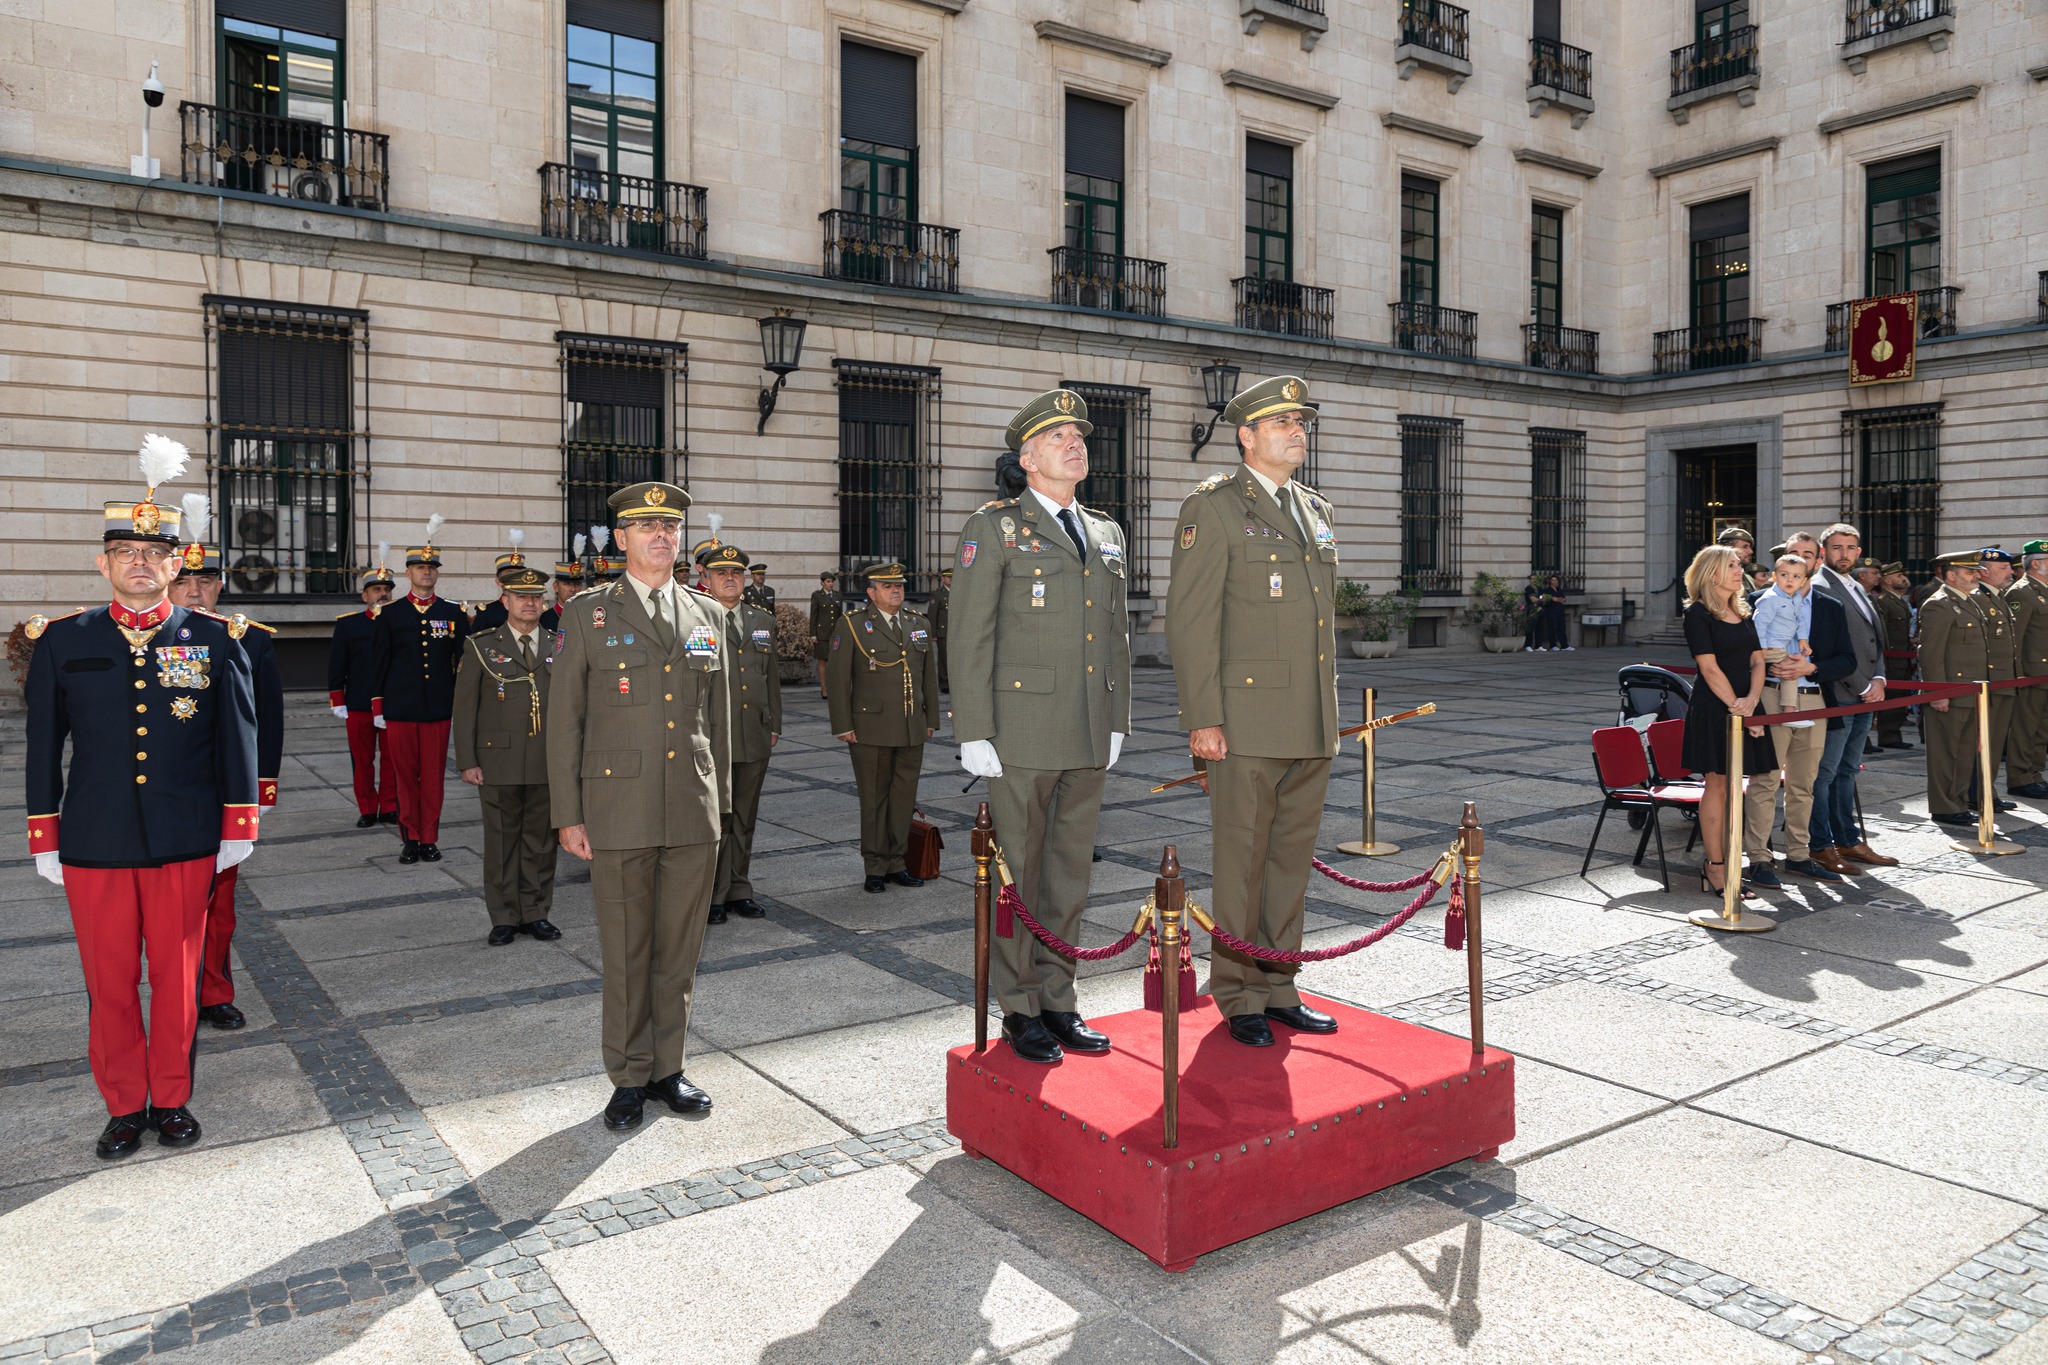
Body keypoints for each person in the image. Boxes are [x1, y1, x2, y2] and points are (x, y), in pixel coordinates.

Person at [25, 439, 259, 1158]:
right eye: (123, 549)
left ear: (175, 564)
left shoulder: (217, 641)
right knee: (110, 982)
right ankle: (125, 1105)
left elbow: (236, 737)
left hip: (184, 838)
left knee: (178, 981)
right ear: (103, 563)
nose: (138, 561)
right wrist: (44, 835)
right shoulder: (64, 642)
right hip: (93, 840)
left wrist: (238, 825)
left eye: (153, 552)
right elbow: (41, 747)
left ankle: (172, 1098)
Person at [951, 390, 1133, 1064]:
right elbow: (969, 635)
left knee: (1068, 874)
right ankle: (1020, 1005)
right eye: (1057, 436)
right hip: (1020, 734)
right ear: (1026, 457)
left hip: (1086, 731)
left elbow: (1117, 634)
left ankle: (1060, 997)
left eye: (1079, 435)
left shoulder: (1106, 531)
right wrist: (974, 728)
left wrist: (1117, 717)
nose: (1074, 444)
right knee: (1017, 876)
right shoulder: (994, 528)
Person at [548, 480, 731, 1132]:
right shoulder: (587, 614)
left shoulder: (708, 615)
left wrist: (722, 803)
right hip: (617, 806)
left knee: (679, 949)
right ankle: (628, 1075)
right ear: (620, 538)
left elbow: (719, 720)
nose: (661, 537)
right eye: (646, 527)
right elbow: (564, 723)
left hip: (690, 806)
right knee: (628, 949)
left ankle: (667, 1068)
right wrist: (568, 814)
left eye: (670, 527)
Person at [1167, 375, 1341, 1048]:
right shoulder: (1212, 507)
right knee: (1241, 860)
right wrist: (1203, 718)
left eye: (1301, 421)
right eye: (1281, 422)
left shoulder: (1314, 508)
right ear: (1246, 435)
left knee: (1289, 861)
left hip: (1308, 719)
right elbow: (1191, 622)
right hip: (1242, 722)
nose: (1296, 431)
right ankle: (1238, 990)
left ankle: (1279, 984)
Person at [166, 517, 284, 1031]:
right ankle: (174, 992)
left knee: (220, 903)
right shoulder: (144, 638)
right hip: (165, 793)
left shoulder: (250, 640)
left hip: (226, 793)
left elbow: (269, 721)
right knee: (167, 906)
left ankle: (213, 991)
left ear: (220, 585)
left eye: (205, 582)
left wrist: (261, 792)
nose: (195, 592)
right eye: (183, 583)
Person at [454, 564, 561, 947]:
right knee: (501, 842)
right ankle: (503, 916)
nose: (530, 603)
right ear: (505, 601)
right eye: (521, 597)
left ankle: (535, 912)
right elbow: (465, 708)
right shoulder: (481, 645)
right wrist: (467, 760)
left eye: (536, 597)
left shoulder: (559, 643)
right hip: (497, 760)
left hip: (547, 761)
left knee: (541, 842)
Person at [1742, 540, 1857, 886]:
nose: (1799, 564)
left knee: (1803, 784)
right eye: (1793, 557)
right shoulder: (1757, 601)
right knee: (1764, 781)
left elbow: (1847, 660)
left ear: (1816, 563)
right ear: (1779, 568)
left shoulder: (1829, 606)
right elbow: (1744, 651)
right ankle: (1760, 859)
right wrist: (1765, 666)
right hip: (1771, 698)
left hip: (1814, 700)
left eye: (1807, 556)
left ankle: (1798, 855)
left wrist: (1811, 667)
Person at [827, 563, 940, 892]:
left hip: (910, 726)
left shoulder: (917, 623)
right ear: (871, 592)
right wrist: (843, 725)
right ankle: (874, 866)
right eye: (888, 586)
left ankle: (897, 862)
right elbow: (837, 681)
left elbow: (927, 678)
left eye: (900, 586)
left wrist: (930, 718)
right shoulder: (852, 625)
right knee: (874, 798)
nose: (896, 591)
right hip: (869, 727)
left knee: (904, 797)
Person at [1678, 545, 1773, 898]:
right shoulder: (1698, 614)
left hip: (1745, 706)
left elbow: (1759, 663)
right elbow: (1708, 667)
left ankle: (1733, 864)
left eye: (1738, 564)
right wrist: (1738, 706)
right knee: (1717, 785)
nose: (1739, 570)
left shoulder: (1743, 612)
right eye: (1732, 565)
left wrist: (1751, 704)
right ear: (1713, 572)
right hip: (1715, 708)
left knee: (1740, 785)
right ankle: (1716, 869)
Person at [371, 525, 469, 865]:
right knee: (404, 779)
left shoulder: (452, 613)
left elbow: (463, 663)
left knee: (433, 779)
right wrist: (378, 705)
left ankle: (429, 838)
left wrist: (461, 701)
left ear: (437, 574)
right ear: (409, 572)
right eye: (420, 567)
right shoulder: (392, 614)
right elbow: (379, 663)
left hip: (438, 708)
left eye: (432, 568)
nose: (426, 572)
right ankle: (409, 838)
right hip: (400, 708)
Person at [697, 542, 782, 924]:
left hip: (753, 733)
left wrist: (774, 724)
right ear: (706, 579)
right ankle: (712, 894)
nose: (730, 579)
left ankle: (738, 888)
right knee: (716, 818)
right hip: (711, 737)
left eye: (736, 573)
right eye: (721, 573)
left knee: (745, 815)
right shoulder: (694, 620)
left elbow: (771, 678)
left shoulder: (761, 620)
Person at [1808, 526, 1899, 870]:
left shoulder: (1856, 586)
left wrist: (1879, 677)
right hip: (1839, 694)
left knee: (1848, 770)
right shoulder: (1818, 587)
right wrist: (1864, 684)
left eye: (1850, 548)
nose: (1843, 554)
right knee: (1826, 772)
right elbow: (1826, 648)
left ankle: (1847, 839)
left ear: (1858, 552)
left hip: (1864, 692)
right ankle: (1820, 843)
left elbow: (1874, 641)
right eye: (1836, 548)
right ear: (1823, 551)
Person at [1918, 550, 2006, 827]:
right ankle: (1944, 805)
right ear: (1951, 575)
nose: (1976, 576)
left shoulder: (1969, 602)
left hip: (1972, 691)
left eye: (1976, 571)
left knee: (1965, 751)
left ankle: (1957, 801)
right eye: (1969, 572)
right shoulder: (1940, 605)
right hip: (1951, 692)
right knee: (1946, 752)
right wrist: (1937, 693)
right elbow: (1930, 654)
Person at [332, 552, 398, 826]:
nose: (382, 594)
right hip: (359, 703)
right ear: (365, 596)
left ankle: (391, 806)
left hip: (394, 702)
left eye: (386, 589)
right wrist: (338, 697)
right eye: (376, 590)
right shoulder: (349, 624)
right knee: (362, 761)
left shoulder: (400, 621)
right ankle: (368, 808)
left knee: (393, 761)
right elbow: (337, 663)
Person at [1967, 548, 2022, 813]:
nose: (2011, 572)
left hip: (2004, 681)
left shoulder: (1996, 597)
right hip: (1989, 682)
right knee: (1984, 741)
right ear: (1985, 572)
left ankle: (1987, 790)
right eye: (2004, 568)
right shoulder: (1978, 598)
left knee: (1995, 740)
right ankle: (1978, 792)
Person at [2005, 541, 2048, 799]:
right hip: (2029, 673)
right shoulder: (2022, 592)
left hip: (2043, 673)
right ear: (2036, 563)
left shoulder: (2043, 590)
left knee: (2041, 728)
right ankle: (2020, 777)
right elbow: (2014, 638)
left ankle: (2034, 774)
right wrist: (2016, 674)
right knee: (2025, 727)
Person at [1751, 555, 1815, 729]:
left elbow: (1800, 619)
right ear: (1774, 576)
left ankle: (1787, 712)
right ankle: (1788, 713)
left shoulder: (1795, 598)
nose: (1789, 580)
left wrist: (1803, 640)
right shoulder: (1770, 599)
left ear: (1803, 581)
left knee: (1790, 669)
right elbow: (1759, 624)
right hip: (1770, 646)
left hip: (1781, 646)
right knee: (1791, 670)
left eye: (1796, 576)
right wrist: (1762, 647)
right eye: (1784, 574)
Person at [808, 571, 838, 699]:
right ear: (822, 582)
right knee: (822, 661)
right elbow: (813, 615)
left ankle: (833, 687)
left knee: (834, 661)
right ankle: (823, 689)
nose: (830, 584)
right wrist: (813, 634)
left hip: (835, 634)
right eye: (828, 581)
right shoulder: (817, 596)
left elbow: (840, 616)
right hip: (822, 634)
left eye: (832, 582)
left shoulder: (838, 596)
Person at [931, 566, 953, 692]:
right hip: (943, 632)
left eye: (952, 578)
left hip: (955, 631)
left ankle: (954, 681)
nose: (950, 580)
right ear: (943, 578)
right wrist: (933, 633)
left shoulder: (957, 592)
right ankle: (944, 683)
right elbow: (933, 614)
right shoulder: (938, 594)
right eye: (948, 577)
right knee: (944, 658)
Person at [1542, 574, 1572, 650]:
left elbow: (1564, 599)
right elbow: (1554, 599)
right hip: (1552, 611)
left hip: (1560, 611)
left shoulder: (1559, 589)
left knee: (1561, 628)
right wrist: (1558, 599)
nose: (1554, 581)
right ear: (1550, 581)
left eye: (1555, 580)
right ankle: (1553, 645)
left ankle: (1564, 645)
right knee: (1552, 628)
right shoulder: (1548, 590)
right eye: (1552, 580)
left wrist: (1558, 599)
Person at [1521, 575, 1546, 651]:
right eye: (1532, 579)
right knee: (1530, 628)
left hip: (1540, 610)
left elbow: (1544, 598)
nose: (1534, 580)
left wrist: (1539, 599)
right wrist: (1540, 599)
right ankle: (1528, 645)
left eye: (1535, 579)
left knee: (1540, 627)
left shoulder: (1540, 589)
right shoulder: (1528, 589)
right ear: (1530, 580)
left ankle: (1538, 646)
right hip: (1532, 610)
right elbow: (1533, 600)